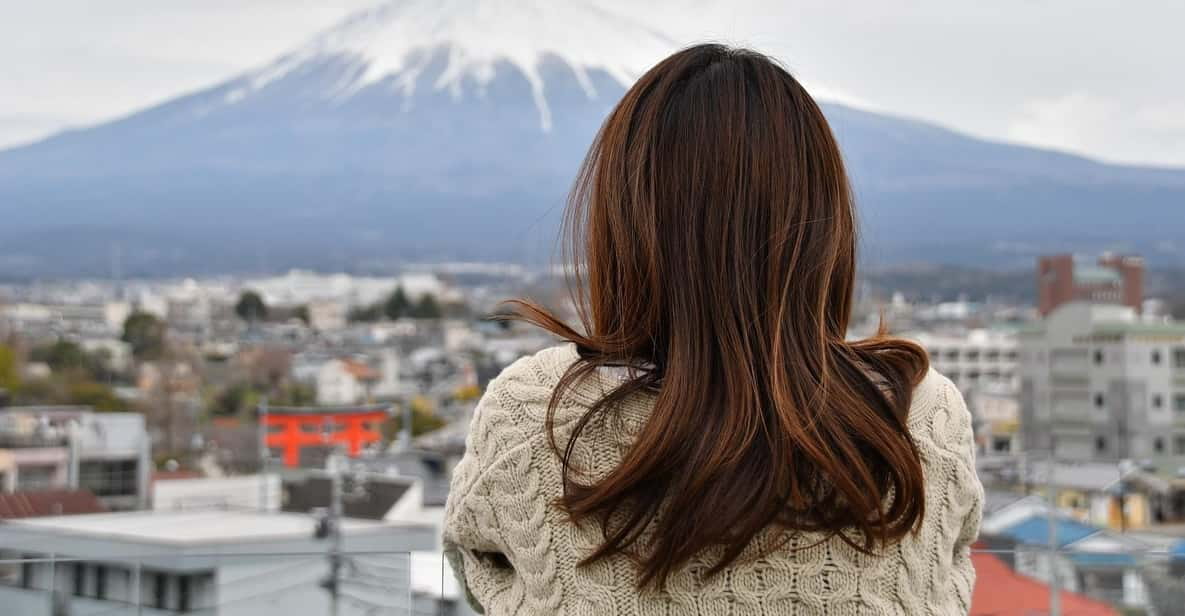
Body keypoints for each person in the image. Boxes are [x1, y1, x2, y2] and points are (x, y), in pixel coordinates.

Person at [444, 43, 983, 615]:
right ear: (824, 225)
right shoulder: (917, 418)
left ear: (622, 221)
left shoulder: (537, 414)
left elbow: (478, 566)